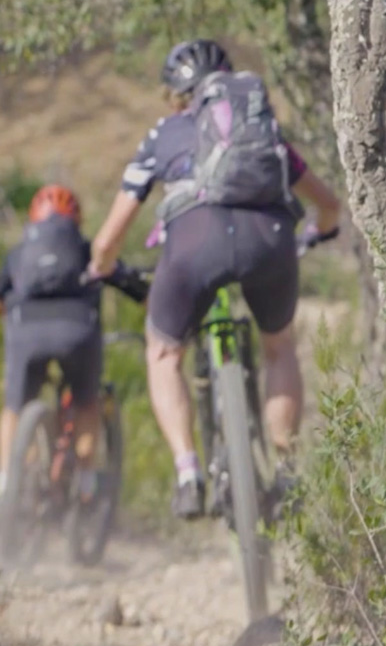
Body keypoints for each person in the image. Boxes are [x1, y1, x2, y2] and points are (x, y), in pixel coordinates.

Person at [86, 39, 343, 518]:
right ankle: (286, 468)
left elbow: (110, 236)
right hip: (269, 241)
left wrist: (101, 266)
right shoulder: (260, 132)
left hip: (193, 246)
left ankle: (188, 472)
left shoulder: (162, 134)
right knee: (279, 347)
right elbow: (327, 205)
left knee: (163, 352)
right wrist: (318, 233)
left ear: (176, 96)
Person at [0, 184, 106, 500]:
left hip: (26, 332)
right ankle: (84, 480)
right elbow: (116, 275)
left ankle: (5, 482)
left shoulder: (18, 252)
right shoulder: (85, 249)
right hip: (77, 331)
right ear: (76, 219)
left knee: (13, 406)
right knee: (86, 401)